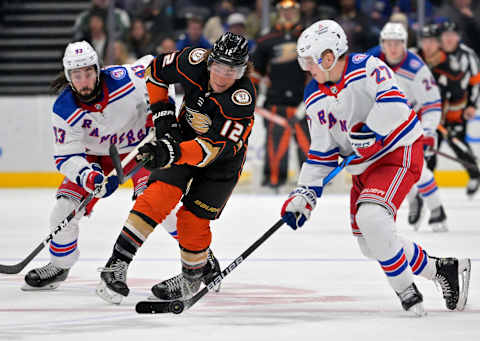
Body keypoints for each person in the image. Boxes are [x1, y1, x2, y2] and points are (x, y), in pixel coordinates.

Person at [280, 20, 471, 315]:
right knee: (371, 244)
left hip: (398, 153)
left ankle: (409, 294)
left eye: (310, 61)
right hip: (364, 167)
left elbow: (394, 105)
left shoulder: (367, 67)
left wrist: (371, 129)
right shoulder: (314, 95)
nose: (307, 68)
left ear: (328, 56)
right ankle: (441, 270)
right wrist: (304, 194)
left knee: (371, 217)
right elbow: (322, 150)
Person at [96, 32, 255, 304]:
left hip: (221, 161)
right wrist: (164, 119)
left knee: (191, 220)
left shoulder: (242, 100)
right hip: (183, 138)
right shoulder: (193, 60)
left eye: (233, 70)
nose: (222, 76)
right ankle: (116, 264)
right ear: (209, 60)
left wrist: (169, 151)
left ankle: (191, 279)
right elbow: (155, 72)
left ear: (242, 71)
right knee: (157, 195)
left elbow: (209, 151)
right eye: (218, 66)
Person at [22, 41, 173, 291]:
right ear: (69, 77)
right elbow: (67, 157)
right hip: (94, 159)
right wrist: (88, 177)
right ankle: (60, 265)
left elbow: (155, 69)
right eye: (77, 75)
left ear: (98, 69)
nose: (84, 81)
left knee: (158, 202)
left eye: (89, 73)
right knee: (62, 211)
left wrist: (159, 112)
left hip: (140, 149)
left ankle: (198, 261)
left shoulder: (124, 80)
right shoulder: (64, 108)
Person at [367, 22, 448, 232]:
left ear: (405, 44)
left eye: (397, 43)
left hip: (411, 124)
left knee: (417, 168)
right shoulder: (371, 62)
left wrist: (429, 131)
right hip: (383, 124)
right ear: (382, 44)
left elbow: (432, 103)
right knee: (392, 168)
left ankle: (436, 208)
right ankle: (414, 199)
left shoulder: (416, 68)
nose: (393, 48)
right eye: (388, 43)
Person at [252, 0, 310, 190]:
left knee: (308, 146)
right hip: (275, 104)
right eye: (284, 10)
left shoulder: (308, 37)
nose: (288, 13)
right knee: (275, 147)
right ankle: (274, 182)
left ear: (298, 11)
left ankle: (312, 183)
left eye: (292, 9)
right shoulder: (266, 40)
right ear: (277, 12)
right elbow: (255, 72)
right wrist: (253, 97)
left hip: (303, 103)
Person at [418, 21, 480, 198]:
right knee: (428, 152)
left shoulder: (458, 61)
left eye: (452, 34)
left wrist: (469, 108)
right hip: (430, 116)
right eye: (445, 35)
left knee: (458, 144)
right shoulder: (422, 58)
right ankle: (427, 191)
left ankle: (474, 174)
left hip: (454, 112)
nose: (449, 38)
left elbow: (467, 88)